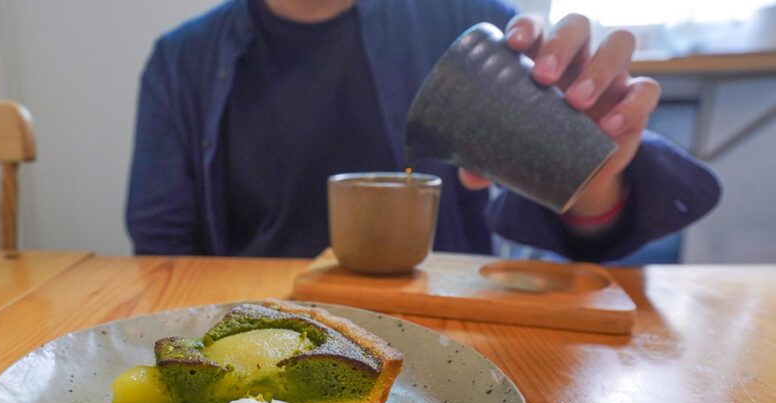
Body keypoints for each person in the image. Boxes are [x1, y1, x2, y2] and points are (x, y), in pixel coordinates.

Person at [125, 0, 721, 262]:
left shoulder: (462, 20)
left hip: (443, 340)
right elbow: (162, 248)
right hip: (263, 342)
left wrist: (590, 173)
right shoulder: (184, 63)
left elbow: (582, 234)